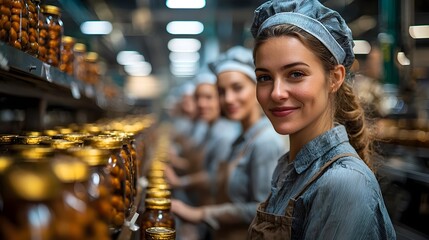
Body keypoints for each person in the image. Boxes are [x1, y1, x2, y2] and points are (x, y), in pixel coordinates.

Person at [247, 0, 396, 239]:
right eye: (264, 77)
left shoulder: (344, 183)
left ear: (335, 78)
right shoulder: (290, 167)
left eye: (296, 74)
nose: (276, 93)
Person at [169, 46, 285, 240]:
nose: (228, 99)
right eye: (222, 91)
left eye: (237, 88)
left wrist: (200, 214)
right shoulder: (242, 137)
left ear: (257, 87)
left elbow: (263, 209)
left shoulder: (266, 141)